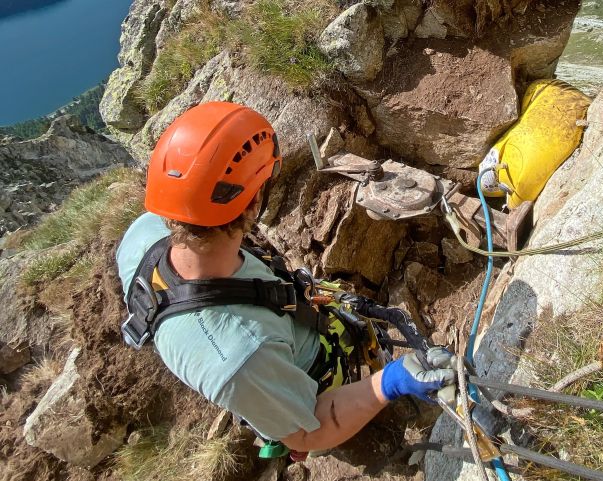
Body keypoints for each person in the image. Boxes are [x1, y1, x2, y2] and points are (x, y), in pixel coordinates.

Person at [115, 101, 455, 454]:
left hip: (273, 348)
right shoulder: (241, 353)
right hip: (309, 383)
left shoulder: (143, 235)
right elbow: (311, 431)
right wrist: (391, 382)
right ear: (252, 202)